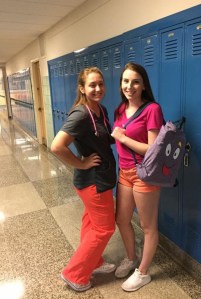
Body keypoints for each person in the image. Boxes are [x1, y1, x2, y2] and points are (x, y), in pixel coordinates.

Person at [51, 67, 117, 292]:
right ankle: (75, 274)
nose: (98, 89)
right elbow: (56, 146)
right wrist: (81, 163)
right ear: (82, 88)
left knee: (91, 222)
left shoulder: (100, 109)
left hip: (99, 179)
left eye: (101, 84)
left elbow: (103, 137)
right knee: (104, 228)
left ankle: (94, 261)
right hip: (93, 181)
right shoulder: (80, 114)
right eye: (92, 85)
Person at [111, 62, 164, 292]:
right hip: (124, 173)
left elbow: (153, 149)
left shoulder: (152, 109)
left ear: (143, 85)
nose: (129, 86)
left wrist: (123, 139)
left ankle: (142, 273)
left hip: (144, 174)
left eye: (135, 81)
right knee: (122, 219)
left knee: (148, 226)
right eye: (125, 81)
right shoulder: (120, 110)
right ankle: (131, 258)